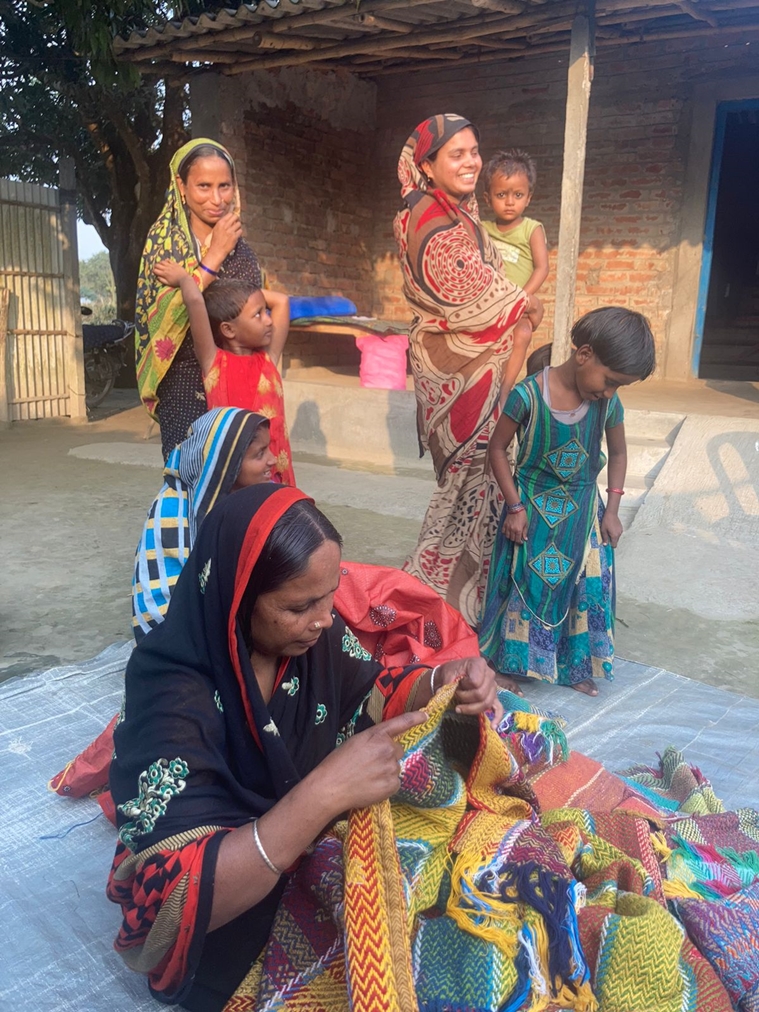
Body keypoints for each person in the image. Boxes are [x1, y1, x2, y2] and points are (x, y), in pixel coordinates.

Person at [107, 484, 500, 1010]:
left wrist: (442, 682)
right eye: (298, 606)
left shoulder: (315, 642)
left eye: (330, 595)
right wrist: (324, 793)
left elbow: (370, 692)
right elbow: (170, 905)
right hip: (233, 904)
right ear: (235, 597)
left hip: (305, 848)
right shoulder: (170, 690)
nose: (323, 618)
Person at [394, 114, 542, 628]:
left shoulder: (461, 215)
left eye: (475, 151)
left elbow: (488, 282)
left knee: (478, 492)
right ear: (427, 165)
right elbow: (463, 293)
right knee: (465, 492)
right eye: (456, 154)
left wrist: (515, 310)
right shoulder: (427, 219)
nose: (471, 162)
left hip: (485, 372)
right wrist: (520, 306)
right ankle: (434, 604)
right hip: (459, 373)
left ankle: (462, 605)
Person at [479, 306, 656, 696]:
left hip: (584, 516)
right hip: (530, 513)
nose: (609, 392)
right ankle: (499, 668)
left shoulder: (607, 405)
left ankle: (574, 666)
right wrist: (515, 507)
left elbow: (620, 454)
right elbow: (496, 450)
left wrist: (612, 510)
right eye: (609, 381)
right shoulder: (527, 396)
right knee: (519, 583)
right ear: (584, 355)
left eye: (618, 387)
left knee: (584, 587)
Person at [135, 138, 263, 461]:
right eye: (204, 186)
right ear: (181, 185)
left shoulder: (243, 252)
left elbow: (250, 320)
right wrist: (214, 256)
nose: (216, 199)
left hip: (235, 382)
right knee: (188, 476)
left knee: (237, 480)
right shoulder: (163, 242)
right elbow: (167, 318)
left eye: (225, 186)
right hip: (181, 382)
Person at [132, 406, 276, 641]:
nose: (272, 460)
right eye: (259, 454)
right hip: (178, 634)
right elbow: (166, 608)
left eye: (269, 448)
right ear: (224, 463)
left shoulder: (251, 496)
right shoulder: (172, 513)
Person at [153, 261, 294, 485]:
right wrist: (184, 279)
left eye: (265, 312)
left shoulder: (269, 360)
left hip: (276, 474)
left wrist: (229, 291)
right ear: (228, 329)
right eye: (257, 315)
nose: (268, 320)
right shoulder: (214, 362)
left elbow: (282, 301)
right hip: (233, 481)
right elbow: (195, 302)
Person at [482, 149, 550, 394]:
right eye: (501, 194)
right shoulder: (482, 229)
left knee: (522, 332)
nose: (510, 202)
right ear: (488, 199)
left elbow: (542, 268)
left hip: (518, 304)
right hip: (488, 304)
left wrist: (520, 298)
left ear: (528, 198)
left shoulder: (532, 229)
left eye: (518, 195)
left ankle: (504, 390)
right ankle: (481, 386)